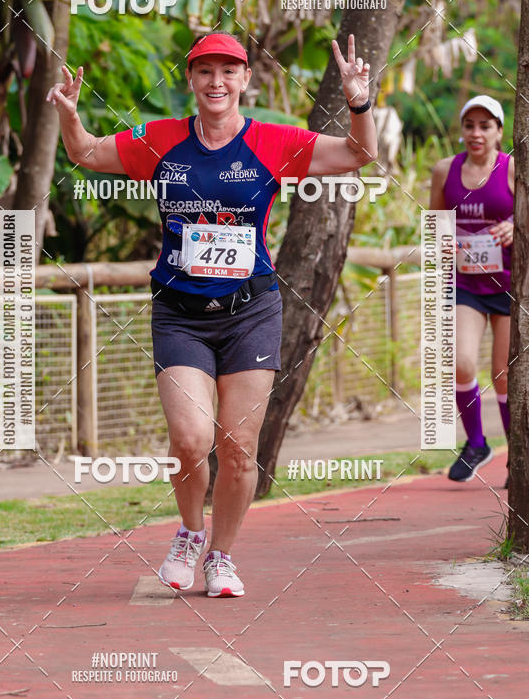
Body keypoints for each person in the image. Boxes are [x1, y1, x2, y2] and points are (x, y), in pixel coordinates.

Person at [47, 31, 378, 596]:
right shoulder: (160, 141)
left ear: (246, 80)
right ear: (192, 80)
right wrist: (70, 116)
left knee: (239, 448)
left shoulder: (273, 143)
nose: (217, 82)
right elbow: (84, 153)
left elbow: (358, 154)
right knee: (190, 438)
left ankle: (221, 557)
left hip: (251, 311)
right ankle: (189, 533)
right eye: (205, 72)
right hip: (180, 314)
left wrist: (358, 101)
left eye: (229, 71)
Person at [430, 95, 513, 486]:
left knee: (504, 373)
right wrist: (443, 244)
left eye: (485, 126)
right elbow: (434, 225)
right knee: (461, 361)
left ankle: (519, 451)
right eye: (469, 126)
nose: (476, 133)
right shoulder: (444, 171)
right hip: (467, 284)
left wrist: (515, 227)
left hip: (512, 285)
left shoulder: (513, 169)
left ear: (499, 131)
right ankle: (477, 443)